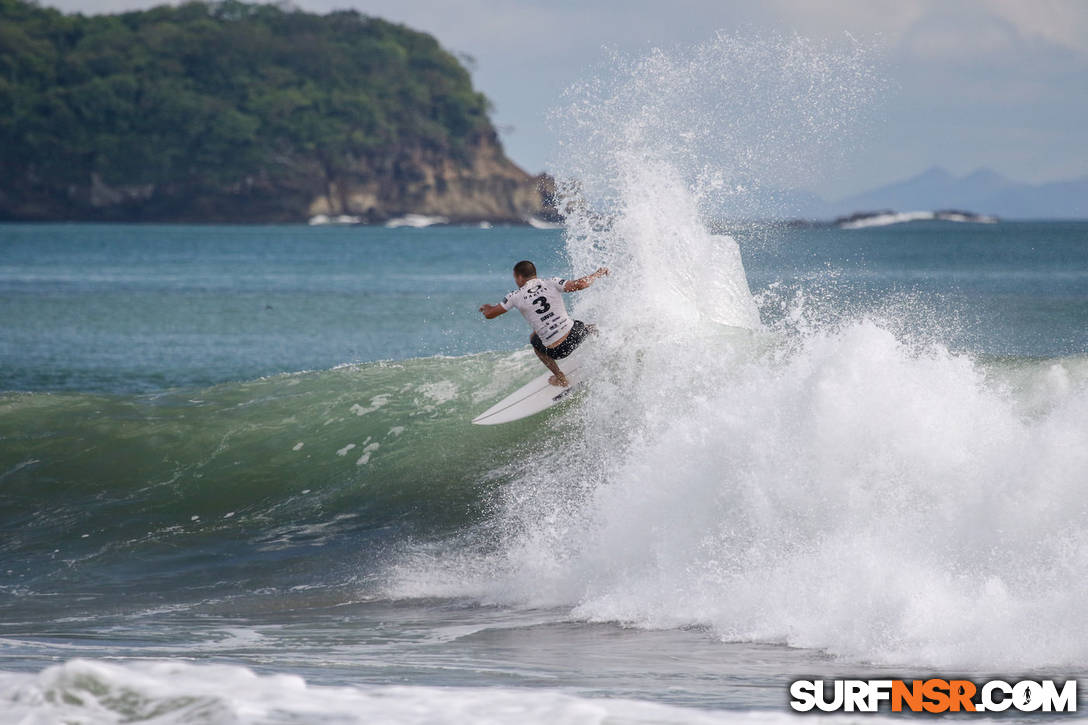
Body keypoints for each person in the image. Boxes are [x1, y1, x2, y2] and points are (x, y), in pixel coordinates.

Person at [479, 260, 609, 387]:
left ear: (519, 277)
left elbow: (490, 314)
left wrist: (487, 308)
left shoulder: (514, 296)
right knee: (591, 327)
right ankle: (611, 341)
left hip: (557, 351)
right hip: (576, 335)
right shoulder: (551, 282)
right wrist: (596, 274)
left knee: (534, 339)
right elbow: (580, 284)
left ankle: (561, 378)